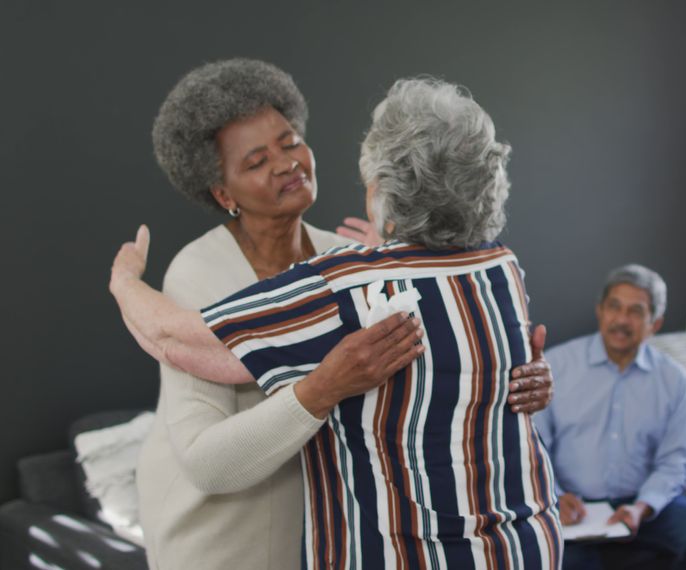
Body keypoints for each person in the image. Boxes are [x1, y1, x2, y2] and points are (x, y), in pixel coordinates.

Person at [111, 77, 562, 569]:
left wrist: (515, 382)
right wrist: (125, 282)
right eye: (257, 161)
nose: (286, 164)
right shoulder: (200, 273)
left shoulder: (347, 259)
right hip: (229, 539)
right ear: (223, 192)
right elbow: (203, 443)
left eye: (292, 143)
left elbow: (442, 366)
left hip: (328, 533)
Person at [533, 264, 686, 570]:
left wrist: (643, 507)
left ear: (655, 323)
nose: (622, 320)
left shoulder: (674, 380)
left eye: (636, 311)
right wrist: (555, 497)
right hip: (573, 506)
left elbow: (675, 460)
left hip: (641, 503)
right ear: (600, 311)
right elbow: (535, 447)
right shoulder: (556, 366)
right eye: (614, 307)